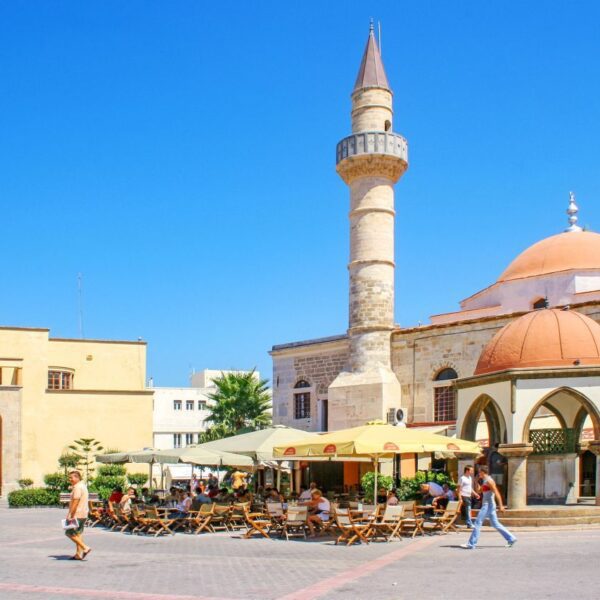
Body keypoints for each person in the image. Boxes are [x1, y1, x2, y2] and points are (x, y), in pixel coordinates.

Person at [461, 465, 517, 549]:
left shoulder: (489, 481)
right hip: (488, 505)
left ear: (483, 472)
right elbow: (479, 491)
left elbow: (497, 493)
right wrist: (476, 482)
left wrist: (501, 506)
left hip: (488, 505)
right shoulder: (484, 481)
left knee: (478, 522)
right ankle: (511, 538)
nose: (478, 474)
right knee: (495, 524)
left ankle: (471, 544)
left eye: (479, 472)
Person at [64, 470, 91, 560]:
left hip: (77, 514)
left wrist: (70, 514)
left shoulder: (77, 487)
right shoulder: (83, 486)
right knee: (78, 533)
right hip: (83, 513)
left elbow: (75, 501)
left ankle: (85, 547)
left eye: (71, 477)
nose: (70, 479)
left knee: (69, 533)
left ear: (77, 477)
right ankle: (78, 554)